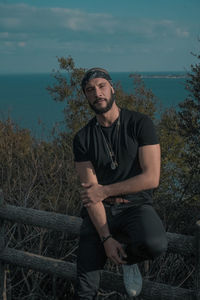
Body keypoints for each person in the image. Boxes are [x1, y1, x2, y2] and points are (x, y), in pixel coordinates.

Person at [73, 68, 168, 299]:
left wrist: (105, 190)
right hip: (100, 212)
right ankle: (112, 247)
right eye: (90, 90)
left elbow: (151, 178)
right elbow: (90, 194)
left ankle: (127, 259)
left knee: (156, 244)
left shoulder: (140, 123)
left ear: (112, 88)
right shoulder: (82, 138)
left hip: (135, 206)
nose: (97, 93)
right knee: (85, 288)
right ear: (86, 96)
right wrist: (106, 238)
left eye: (101, 86)